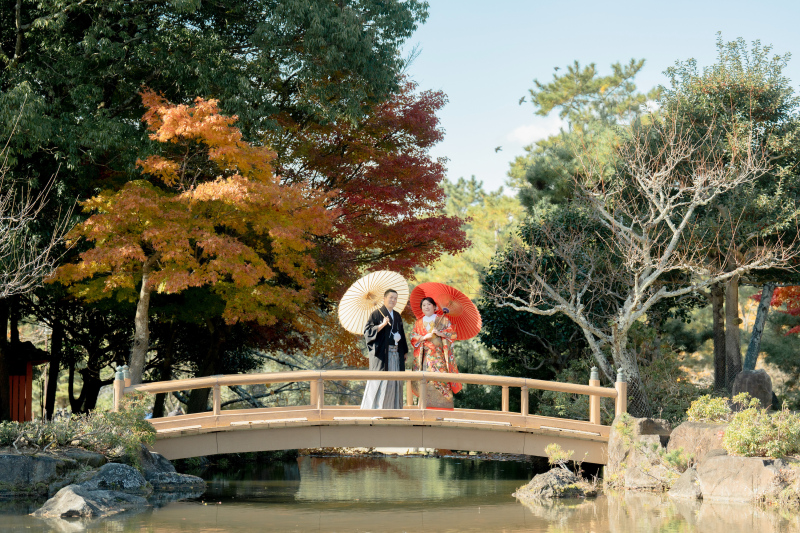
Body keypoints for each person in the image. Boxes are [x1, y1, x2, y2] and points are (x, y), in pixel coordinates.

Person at [360, 289, 408, 409]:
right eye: (391, 297)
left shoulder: (397, 315)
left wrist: (404, 351)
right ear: (384, 298)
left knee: (395, 381)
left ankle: (394, 409)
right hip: (382, 355)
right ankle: (375, 410)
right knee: (380, 380)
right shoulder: (376, 314)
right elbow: (367, 332)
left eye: (395, 298)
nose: (393, 300)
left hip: (395, 353)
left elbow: (401, 333)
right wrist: (382, 325)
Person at [410, 297, 461, 409]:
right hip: (424, 358)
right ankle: (424, 409)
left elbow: (453, 334)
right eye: (424, 305)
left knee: (441, 381)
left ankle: (442, 410)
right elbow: (412, 337)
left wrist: (441, 333)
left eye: (429, 304)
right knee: (424, 382)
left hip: (439, 358)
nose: (426, 307)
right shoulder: (418, 323)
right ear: (421, 309)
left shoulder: (443, 320)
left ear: (435, 307)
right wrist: (424, 337)